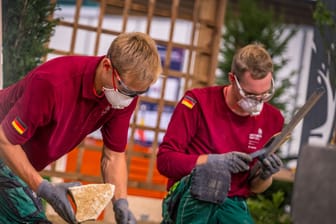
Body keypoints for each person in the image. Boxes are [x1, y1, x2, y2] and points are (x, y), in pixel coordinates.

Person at [0, 32, 162, 224]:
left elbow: (114, 156)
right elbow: (6, 140)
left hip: (16, 162)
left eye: (138, 92)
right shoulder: (53, 82)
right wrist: (43, 188)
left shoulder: (121, 99)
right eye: (126, 90)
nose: (130, 98)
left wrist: (121, 203)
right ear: (107, 66)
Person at [157, 43, 284, 224]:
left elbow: (254, 188)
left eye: (264, 95)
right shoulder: (197, 102)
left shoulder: (273, 119)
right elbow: (165, 162)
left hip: (232, 203)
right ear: (232, 79)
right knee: (212, 175)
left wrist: (265, 175)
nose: (258, 102)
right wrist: (212, 161)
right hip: (192, 194)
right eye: (250, 94)